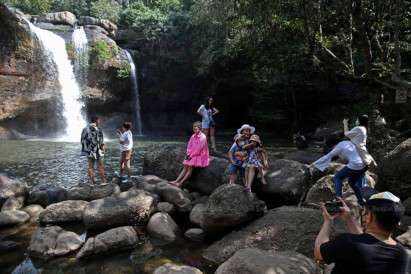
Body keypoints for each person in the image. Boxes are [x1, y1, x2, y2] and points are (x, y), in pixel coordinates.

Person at [314, 188, 408, 273]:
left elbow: (319, 252)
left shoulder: (347, 242)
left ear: (370, 216)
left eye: (363, 210)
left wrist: (328, 222)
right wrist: (349, 219)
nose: (362, 212)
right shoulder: (401, 254)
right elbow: (366, 241)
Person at [307, 134, 367, 205]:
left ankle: (339, 197)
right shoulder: (346, 142)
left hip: (355, 165)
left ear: (332, 145)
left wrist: (313, 164)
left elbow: (327, 156)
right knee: (352, 182)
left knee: (337, 177)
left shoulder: (338, 147)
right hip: (363, 165)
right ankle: (361, 201)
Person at [169, 121, 209, 188]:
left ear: (199, 127)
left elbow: (198, 149)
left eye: (195, 126)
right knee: (185, 168)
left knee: (190, 169)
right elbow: (189, 145)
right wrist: (188, 153)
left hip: (198, 155)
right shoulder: (193, 136)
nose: (194, 128)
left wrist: (191, 155)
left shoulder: (203, 137)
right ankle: (176, 181)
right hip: (191, 154)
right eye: (193, 126)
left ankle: (181, 183)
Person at [81, 114, 106, 185]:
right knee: (101, 166)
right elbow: (101, 142)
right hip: (98, 150)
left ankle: (92, 183)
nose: (99, 122)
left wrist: (86, 149)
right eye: (99, 120)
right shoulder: (99, 129)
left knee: (91, 167)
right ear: (96, 120)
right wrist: (103, 150)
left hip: (89, 151)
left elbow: (83, 140)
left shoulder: (85, 129)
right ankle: (102, 182)